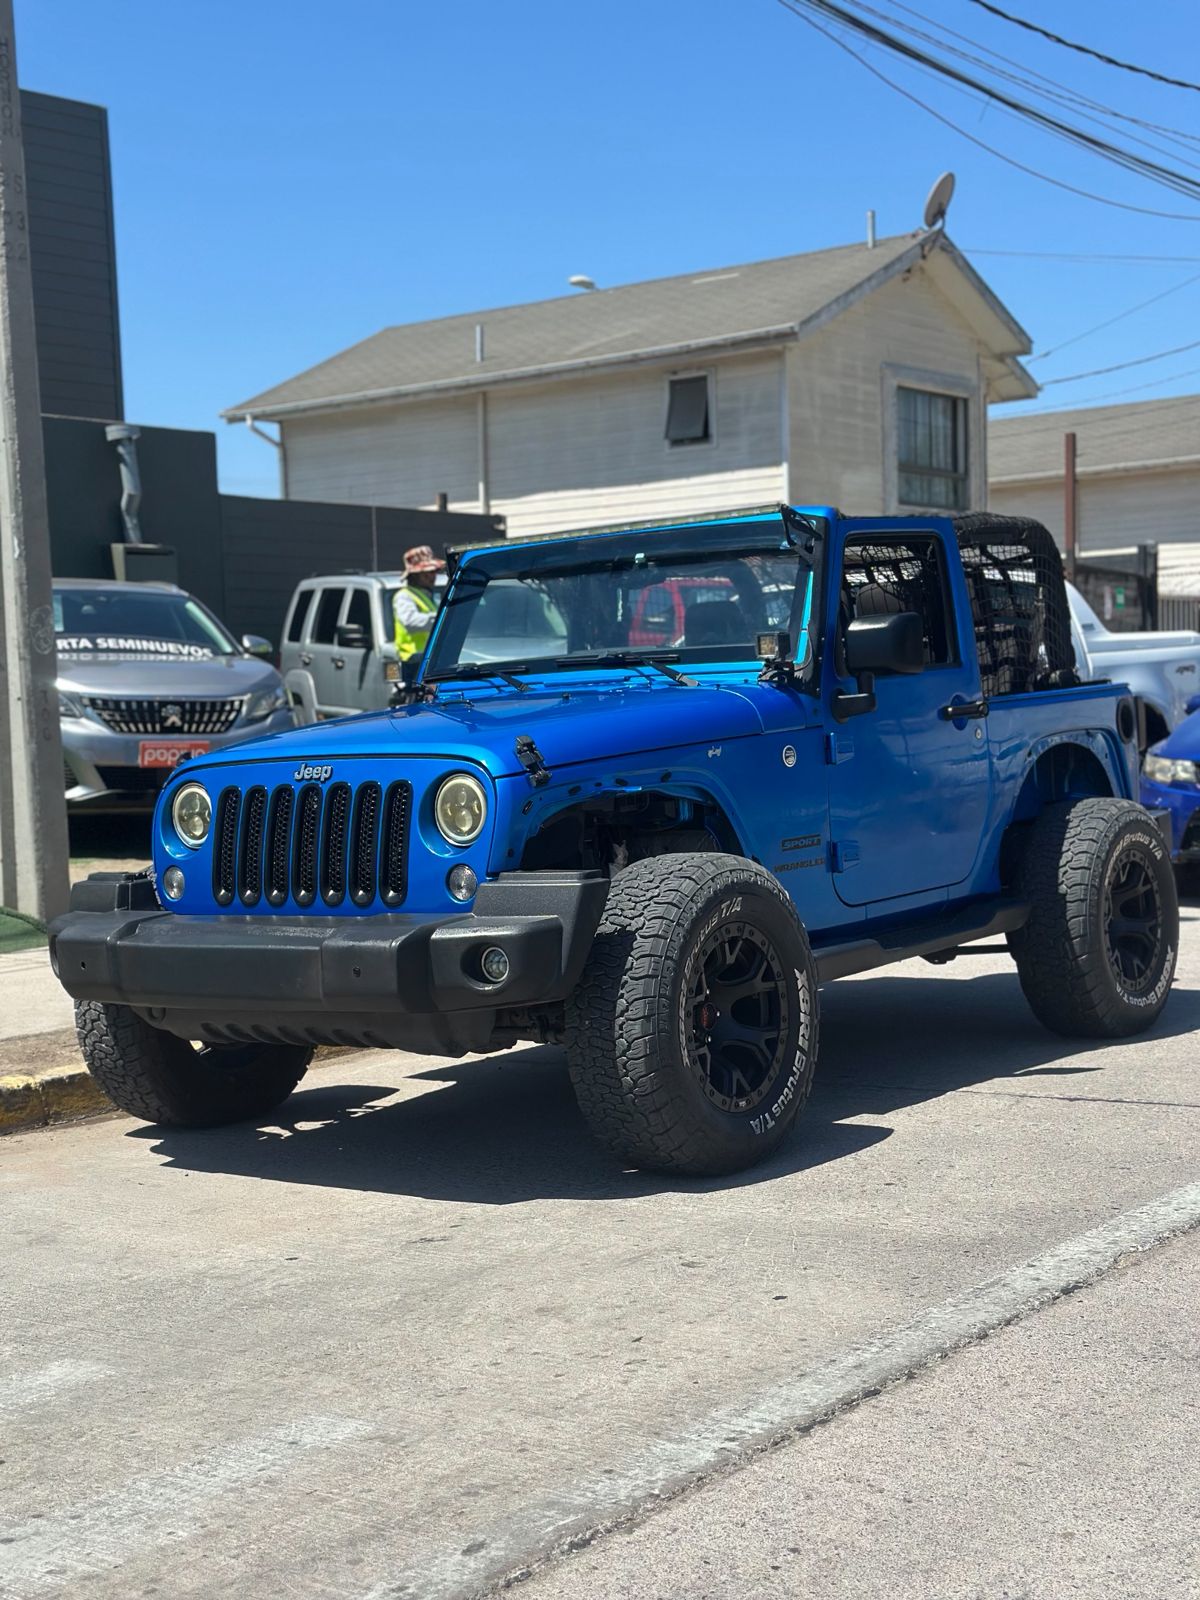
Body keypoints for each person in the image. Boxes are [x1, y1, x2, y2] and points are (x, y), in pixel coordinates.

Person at [393, 545, 445, 683]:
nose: (432, 576)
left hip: (428, 659)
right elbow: (411, 622)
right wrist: (442, 619)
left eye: (434, 572)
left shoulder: (428, 596)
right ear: (414, 575)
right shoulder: (404, 596)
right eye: (427, 573)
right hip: (413, 661)